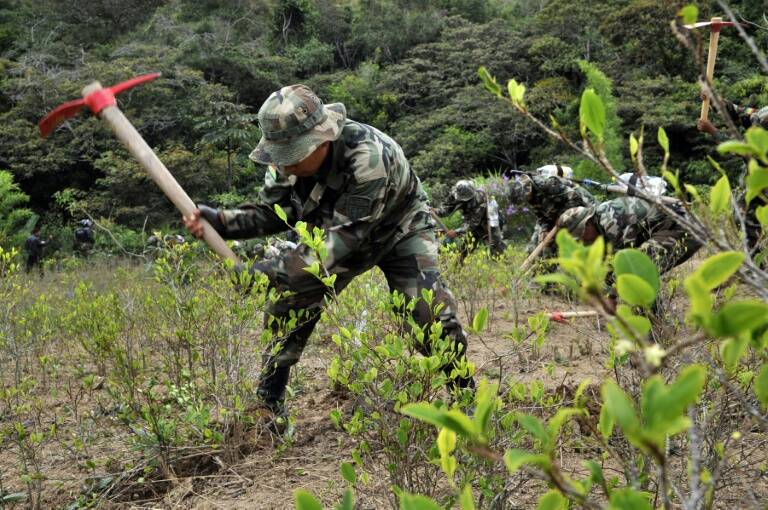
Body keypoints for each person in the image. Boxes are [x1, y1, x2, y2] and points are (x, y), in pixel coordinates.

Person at [183, 84, 474, 431]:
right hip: (333, 229)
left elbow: (335, 248)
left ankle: (465, 398)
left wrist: (265, 272)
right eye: (280, 153)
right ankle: (268, 403)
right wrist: (221, 221)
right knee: (290, 301)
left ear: (322, 138)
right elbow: (275, 212)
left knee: (426, 311)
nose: (285, 162)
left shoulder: (368, 158)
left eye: (293, 152)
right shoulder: (285, 165)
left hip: (399, 228)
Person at [558, 197, 700, 276]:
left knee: (637, 271)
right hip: (670, 229)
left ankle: (653, 323)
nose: (583, 241)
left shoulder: (611, 221)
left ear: (588, 223)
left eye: (581, 235)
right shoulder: (600, 222)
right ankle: (652, 318)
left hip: (687, 228)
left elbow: (625, 261)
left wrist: (611, 295)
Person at [698, 100, 768, 257]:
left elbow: (740, 149)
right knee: (742, 219)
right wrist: (713, 100)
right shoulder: (762, 114)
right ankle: (756, 262)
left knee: (744, 219)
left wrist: (712, 131)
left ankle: (756, 267)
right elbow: (740, 112)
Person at [506, 173, 597, 254]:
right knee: (546, 247)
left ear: (526, 189)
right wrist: (544, 230)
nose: (526, 201)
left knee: (583, 236)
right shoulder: (531, 197)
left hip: (583, 205)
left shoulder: (547, 184)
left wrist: (560, 219)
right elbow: (541, 216)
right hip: (562, 215)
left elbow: (574, 199)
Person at [433, 180, 506, 256]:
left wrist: (456, 232)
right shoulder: (456, 193)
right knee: (467, 246)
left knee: (495, 245)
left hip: (488, 218)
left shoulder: (479, 200)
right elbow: (448, 208)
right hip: (472, 219)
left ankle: (504, 261)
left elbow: (473, 223)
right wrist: (437, 211)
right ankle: (460, 262)